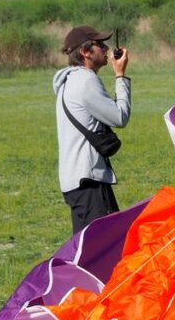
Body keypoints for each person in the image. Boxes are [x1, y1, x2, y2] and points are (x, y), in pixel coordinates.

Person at [53, 25, 131, 233]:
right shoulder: (85, 81)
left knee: (88, 251)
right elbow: (120, 117)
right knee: (103, 250)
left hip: (76, 181)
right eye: (100, 44)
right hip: (89, 182)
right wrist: (120, 75)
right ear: (85, 52)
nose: (106, 49)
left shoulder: (69, 81)